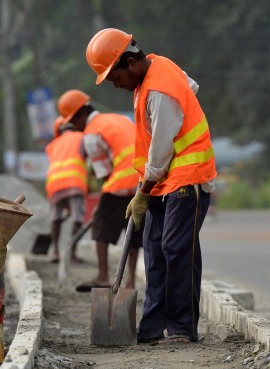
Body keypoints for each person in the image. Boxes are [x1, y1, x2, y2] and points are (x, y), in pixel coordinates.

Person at [85, 28, 217, 345]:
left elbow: (160, 150)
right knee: (155, 251)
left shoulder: (159, 89)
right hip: (162, 180)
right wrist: (145, 188)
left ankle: (183, 328)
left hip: (187, 177)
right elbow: (192, 86)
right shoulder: (155, 70)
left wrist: (142, 192)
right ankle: (151, 328)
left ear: (129, 62)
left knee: (175, 247)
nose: (116, 86)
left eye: (115, 78)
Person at [56, 89, 142, 293]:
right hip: (143, 182)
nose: (75, 128)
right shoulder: (116, 118)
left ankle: (103, 276)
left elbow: (105, 173)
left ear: (82, 115)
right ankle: (130, 283)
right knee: (133, 232)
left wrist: (101, 205)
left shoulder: (92, 134)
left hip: (121, 183)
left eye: (74, 123)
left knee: (100, 228)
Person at [45, 116, 88, 264]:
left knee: (56, 218)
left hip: (54, 185)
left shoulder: (52, 144)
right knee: (77, 218)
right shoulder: (81, 137)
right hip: (74, 182)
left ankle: (55, 251)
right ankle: (71, 253)